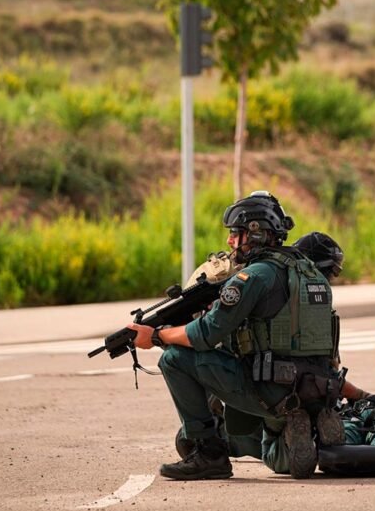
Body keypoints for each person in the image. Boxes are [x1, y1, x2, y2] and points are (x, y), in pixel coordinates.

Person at [127, 191, 343, 481]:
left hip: (273, 390)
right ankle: (292, 426)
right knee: (279, 460)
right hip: (318, 389)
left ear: (255, 233)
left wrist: (157, 337)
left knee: (175, 358)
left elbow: (206, 334)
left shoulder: (253, 276)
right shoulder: (309, 273)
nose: (229, 241)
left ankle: (210, 455)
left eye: (235, 233)